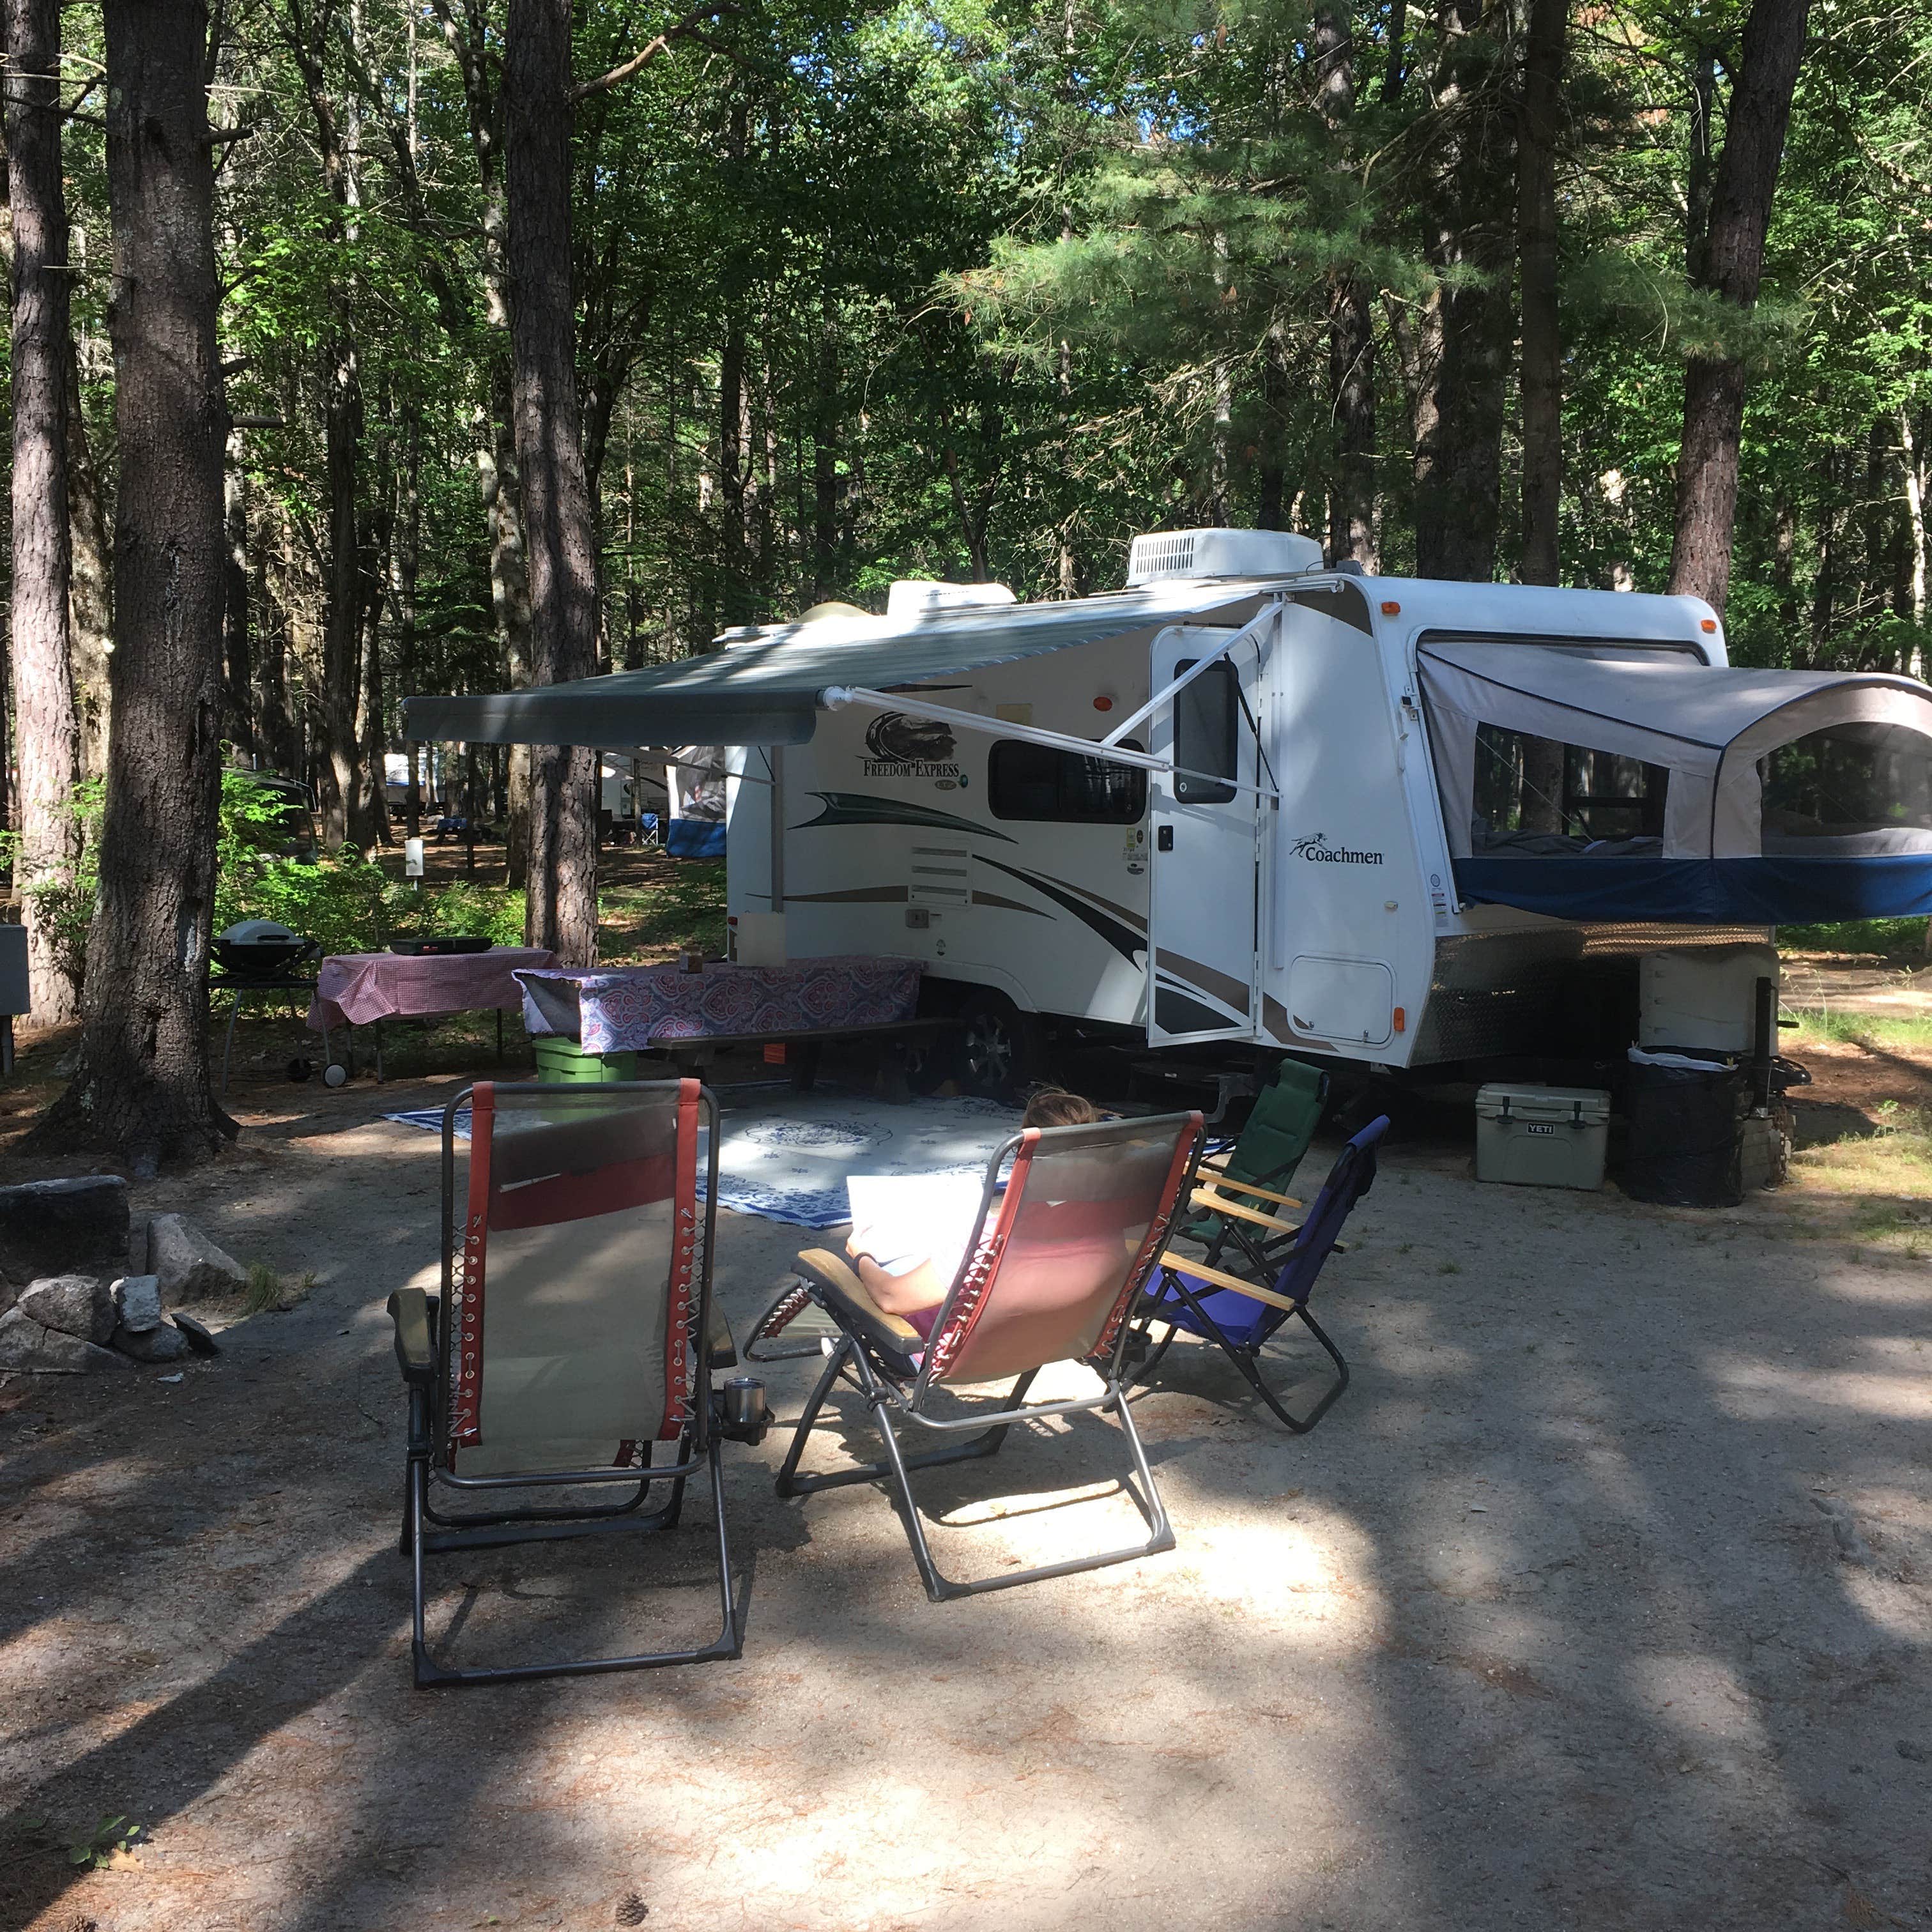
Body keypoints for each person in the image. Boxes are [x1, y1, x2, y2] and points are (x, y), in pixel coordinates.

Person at [845, 1089, 1103, 1328]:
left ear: (1024, 1158)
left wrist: (861, 1257)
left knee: (837, 1284)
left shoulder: (991, 1243)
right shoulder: (1109, 1231)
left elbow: (891, 1297)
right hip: (1043, 1344)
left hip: (938, 1354)